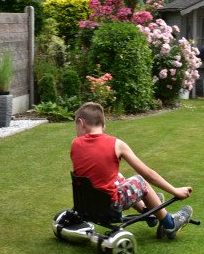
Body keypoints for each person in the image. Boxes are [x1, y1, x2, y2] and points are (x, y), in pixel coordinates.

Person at [71, 102, 193, 239]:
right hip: (109, 205)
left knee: (117, 176)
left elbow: (94, 173)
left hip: (87, 204)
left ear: (81, 122)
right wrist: (175, 191)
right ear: (103, 126)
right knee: (141, 181)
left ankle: (147, 211)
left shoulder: (75, 144)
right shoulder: (117, 144)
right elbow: (149, 175)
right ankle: (170, 224)